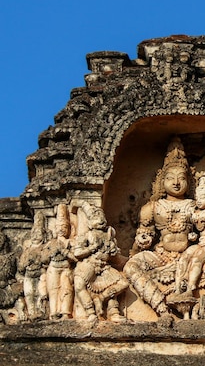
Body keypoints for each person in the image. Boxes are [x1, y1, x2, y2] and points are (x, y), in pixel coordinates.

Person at [123, 137, 196, 316]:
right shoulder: (152, 208)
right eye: (170, 178)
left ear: (189, 182)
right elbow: (138, 245)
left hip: (189, 256)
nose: (176, 183)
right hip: (161, 256)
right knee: (130, 266)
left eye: (181, 178)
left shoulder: (195, 206)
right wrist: (141, 242)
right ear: (161, 181)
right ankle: (161, 308)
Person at [73, 202, 128, 322]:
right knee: (78, 285)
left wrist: (112, 254)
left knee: (123, 283)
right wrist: (91, 249)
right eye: (95, 217)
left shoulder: (109, 236)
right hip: (89, 265)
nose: (100, 220)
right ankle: (90, 312)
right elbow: (77, 253)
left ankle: (111, 309)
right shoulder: (87, 235)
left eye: (102, 217)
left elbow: (116, 259)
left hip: (104, 267)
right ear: (89, 223)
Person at [44, 204, 75, 320]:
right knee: (53, 290)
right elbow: (43, 259)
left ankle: (66, 312)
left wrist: (66, 252)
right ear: (55, 229)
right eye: (59, 227)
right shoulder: (50, 244)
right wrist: (52, 252)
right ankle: (53, 313)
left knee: (67, 289)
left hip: (66, 268)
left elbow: (76, 257)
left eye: (64, 227)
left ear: (69, 229)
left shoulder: (70, 243)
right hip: (53, 268)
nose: (61, 229)